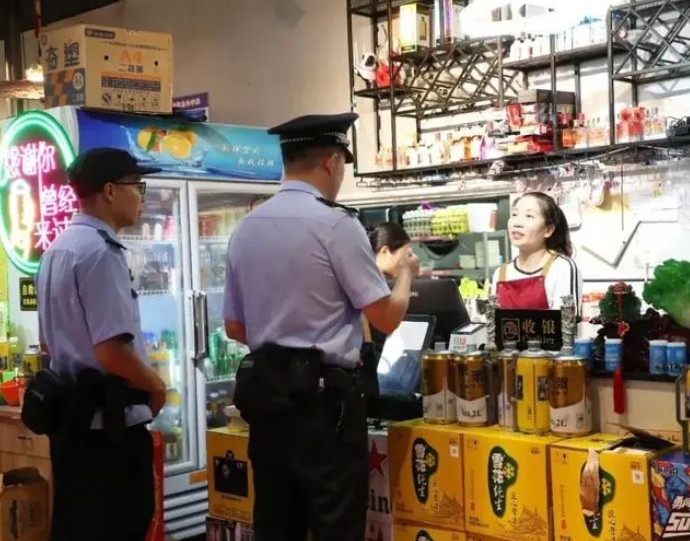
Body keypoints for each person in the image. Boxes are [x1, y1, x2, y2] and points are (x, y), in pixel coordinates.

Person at [223, 112, 419, 541]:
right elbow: (385, 317)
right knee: (335, 526)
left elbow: (234, 327)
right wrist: (405, 275)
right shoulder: (336, 224)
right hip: (325, 409)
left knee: (276, 525)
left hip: (267, 402)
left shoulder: (246, 228)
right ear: (331, 162)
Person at [35, 148, 167, 541]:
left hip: (71, 428)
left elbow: (47, 342)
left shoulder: (57, 250)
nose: (142, 197)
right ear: (110, 191)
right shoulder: (101, 253)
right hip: (109, 432)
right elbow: (110, 351)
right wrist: (156, 387)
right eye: (137, 186)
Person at [491, 191, 583, 312]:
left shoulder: (562, 268)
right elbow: (493, 320)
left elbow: (567, 321)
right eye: (514, 214)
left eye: (529, 216)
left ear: (548, 230)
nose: (517, 223)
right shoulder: (500, 273)